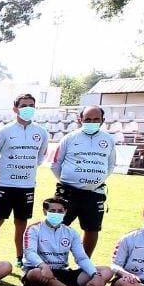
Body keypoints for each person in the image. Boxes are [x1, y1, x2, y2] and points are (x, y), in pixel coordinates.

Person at [0, 93, 49, 267]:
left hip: (27, 186)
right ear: (15, 108)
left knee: (21, 223)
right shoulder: (4, 131)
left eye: (31, 105)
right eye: (23, 105)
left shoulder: (41, 132)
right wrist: (2, 170)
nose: (27, 108)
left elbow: (40, 157)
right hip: (5, 185)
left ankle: (20, 258)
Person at [21, 197, 113, 286]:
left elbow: (82, 258)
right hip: (41, 271)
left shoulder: (71, 232)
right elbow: (29, 253)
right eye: (52, 211)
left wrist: (95, 275)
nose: (56, 214)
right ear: (45, 211)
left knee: (106, 271)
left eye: (60, 211)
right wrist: (43, 266)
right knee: (35, 273)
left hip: (63, 272)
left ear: (65, 212)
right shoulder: (33, 229)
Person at [51, 105, 117, 257]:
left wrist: (96, 180)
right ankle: (52, 261)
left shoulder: (108, 140)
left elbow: (111, 164)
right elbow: (55, 164)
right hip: (68, 193)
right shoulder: (69, 138)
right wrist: (68, 181)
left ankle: (84, 264)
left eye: (96, 119)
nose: (91, 122)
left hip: (94, 193)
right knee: (56, 226)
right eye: (87, 119)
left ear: (102, 121)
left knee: (92, 229)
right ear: (80, 120)